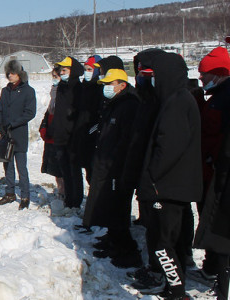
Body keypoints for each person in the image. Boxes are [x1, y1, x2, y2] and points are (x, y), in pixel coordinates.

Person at [135, 52, 202, 300]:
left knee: (162, 244)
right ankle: (174, 286)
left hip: (167, 186)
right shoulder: (177, 99)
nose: (151, 81)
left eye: (154, 76)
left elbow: (168, 148)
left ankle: (177, 290)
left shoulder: (177, 102)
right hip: (173, 185)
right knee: (170, 242)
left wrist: (151, 177)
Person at [82, 68, 142, 268]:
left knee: (119, 209)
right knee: (108, 205)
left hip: (117, 166)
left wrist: (115, 161)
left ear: (122, 85)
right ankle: (112, 238)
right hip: (105, 163)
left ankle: (124, 247)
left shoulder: (129, 106)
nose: (106, 88)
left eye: (110, 84)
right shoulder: (113, 103)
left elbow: (127, 139)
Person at [192, 46, 230, 299]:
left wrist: (213, 159)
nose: (202, 80)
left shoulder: (227, 97)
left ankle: (219, 271)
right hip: (206, 171)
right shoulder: (216, 95)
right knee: (207, 214)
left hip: (217, 173)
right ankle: (211, 265)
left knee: (218, 221)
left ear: (217, 73)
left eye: (204, 76)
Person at [0, 60, 36, 210]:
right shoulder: (5, 91)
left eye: (13, 73)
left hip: (19, 134)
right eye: (8, 73)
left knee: (21, 167)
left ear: (20, 74)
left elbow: (30, 113)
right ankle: (10, 193)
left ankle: (25, 196)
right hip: (6, 134)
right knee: (8, 166)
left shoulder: (28, 91)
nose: (10, 76)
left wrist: (14, 123)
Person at [50, 56, 84, 208]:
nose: (62, 72)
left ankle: (76, 201)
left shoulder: (78, 88)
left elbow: (79, 114)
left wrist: (75, 134)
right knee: (64, 170)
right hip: (60, 136)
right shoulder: (62, 87)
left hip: (73, 137)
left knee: (74, 171)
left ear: (73, 71)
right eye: (61, 70)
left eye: (65, 70)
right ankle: (68, 199)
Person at [70, 55, 103, 184]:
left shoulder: (100, 88)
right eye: (86, 69)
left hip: (93, 134)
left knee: (94, 171)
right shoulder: (84, 86)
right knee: (87, 170)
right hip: (82, 131)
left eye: (90, 69)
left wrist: (93, 128)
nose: (86, 72)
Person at [39, 66, 64, 199]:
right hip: (50, 135)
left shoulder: (64, 92)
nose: (54, 80)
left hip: (59, 135)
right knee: (55, 169)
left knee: (61, 169)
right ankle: (60, 191)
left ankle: (64, 192)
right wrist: (44, 126)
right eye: (53, 76)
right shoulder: (53, 91)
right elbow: (50, 111)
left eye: (56, 76)